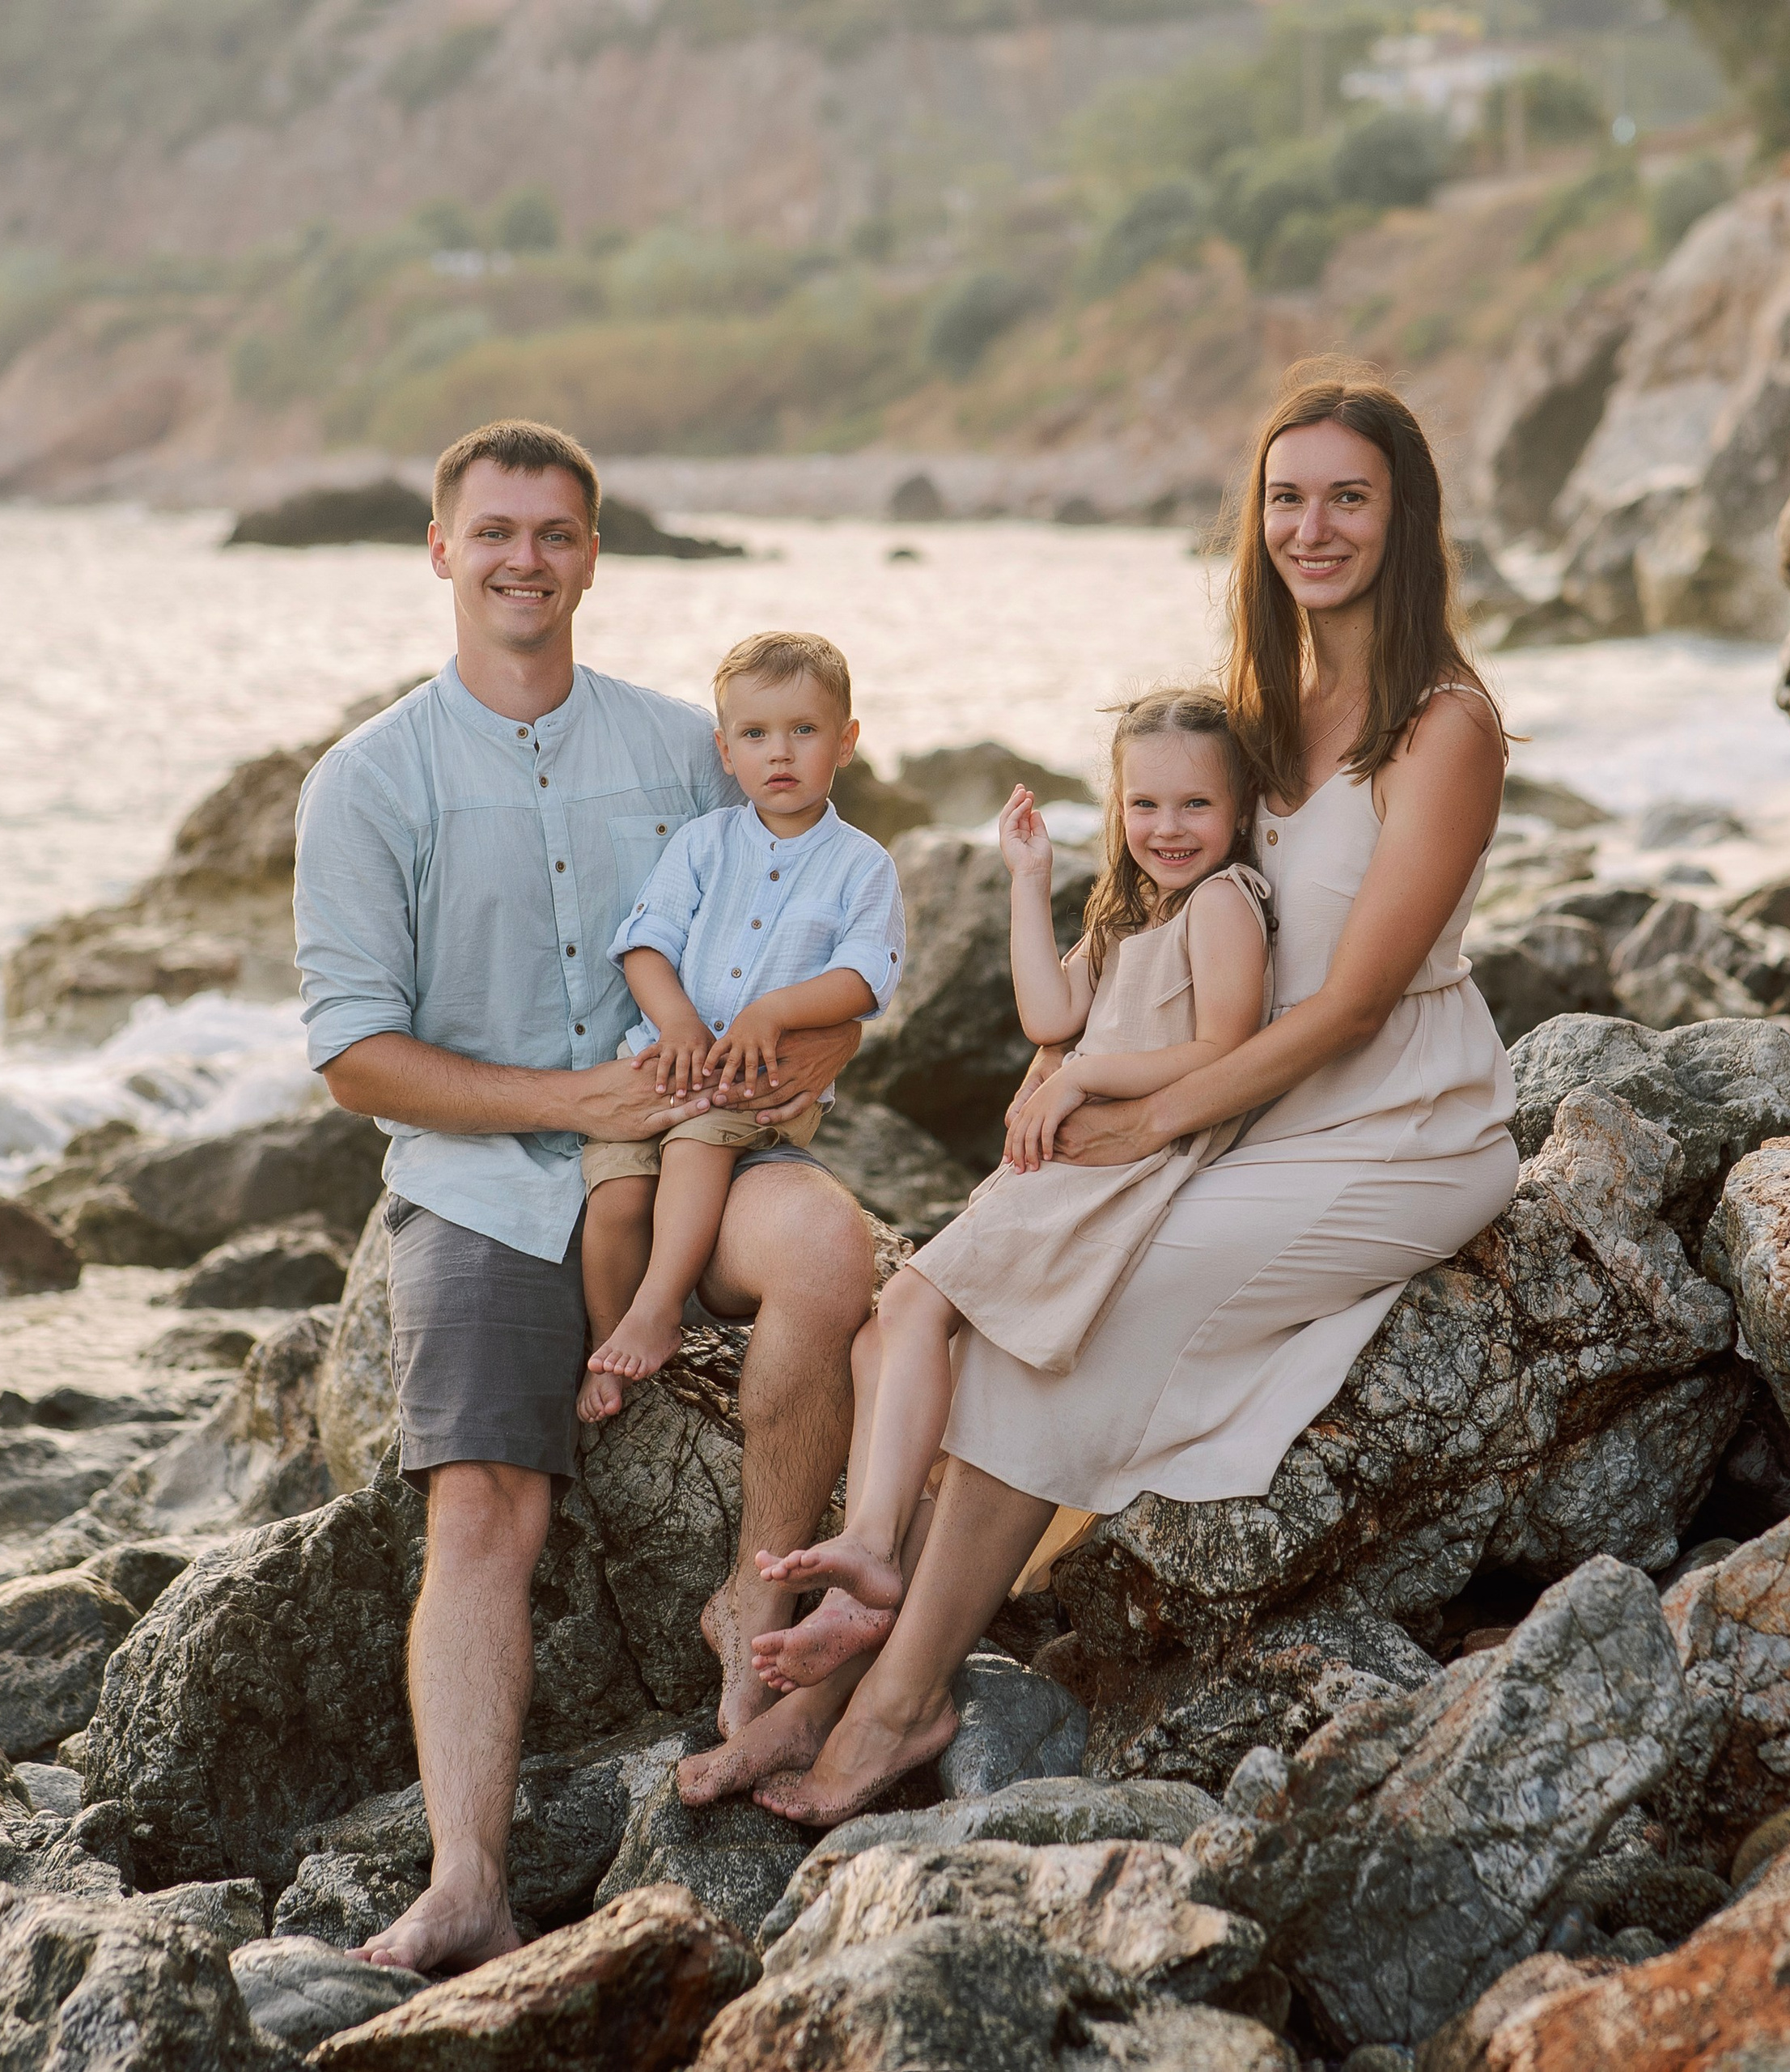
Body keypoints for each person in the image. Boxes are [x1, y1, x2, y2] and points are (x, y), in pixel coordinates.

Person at [681, 358, 1521, 1823]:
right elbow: (1160, 919)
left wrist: (1146, 1114)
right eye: (1287, 500)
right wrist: (1072, 1067)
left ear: (1406, 518)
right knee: (979, 1295)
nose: (1313, 529)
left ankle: (890, 1705)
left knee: (1065, 1327)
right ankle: (831, 1679)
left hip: (1397, 1121)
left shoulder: (1446, 724)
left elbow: (1358, 1000)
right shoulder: (1264, 705)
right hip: (1244, 1104)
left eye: (1349, 500)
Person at [293, 418, 876, 1968]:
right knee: (483, 1500)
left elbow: (803, 921)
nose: (524, 559)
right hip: (482, 1182)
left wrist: (803, 1070)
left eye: (555, 533)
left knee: (833, 1246)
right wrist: (571, 1103)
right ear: (440, 549)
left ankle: (755, 1613)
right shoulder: (367, 781)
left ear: (594, 555)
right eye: (494, 532)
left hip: (693, 1147)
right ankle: (468, 1878)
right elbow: (353, 1055)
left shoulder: (692, 750)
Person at [753, 687, 1270, 1640]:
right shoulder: (1132, 910)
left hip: (1120, 1167)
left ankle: (867, 1548)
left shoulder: (1225, 904)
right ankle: (868, 1574)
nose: (1167, 827)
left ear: (1241, 810)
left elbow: (1226, 1048)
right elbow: (1046, 1015)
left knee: (908, 1304)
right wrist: (1027, 879)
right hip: (1064, 1166)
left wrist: (1083, 1079)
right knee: (881, 1340)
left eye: (1196, 805)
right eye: (1144, 804)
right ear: (1117, 808)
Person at [579, 631, 905, 1413]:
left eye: (805, 730)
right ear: (726, 752)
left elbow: (866, 976)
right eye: (756, 735)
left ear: (847, 742)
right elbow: (645, 946)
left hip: (758, 1088)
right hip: (665, 1062)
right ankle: (606, 1342)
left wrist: (775, 1010)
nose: (779, 753)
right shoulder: (702, 844)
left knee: (694, 1144)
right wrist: (680, 1023)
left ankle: (659, 1313)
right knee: (616, 1195)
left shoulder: (863, 866)